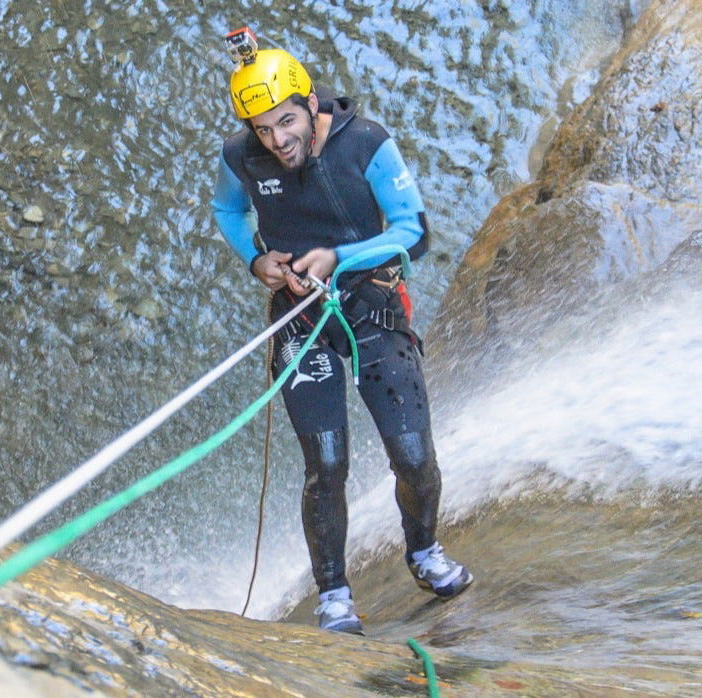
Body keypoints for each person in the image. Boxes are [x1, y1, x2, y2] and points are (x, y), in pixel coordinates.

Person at [211, 28, 472, 635]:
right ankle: (334, 595)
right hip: (300, 316)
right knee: (326, 465)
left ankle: (423, 549)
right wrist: (256, 259)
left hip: (371, 303)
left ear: (309, 104)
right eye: (263, 130)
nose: (278, 141)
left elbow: (415, 231)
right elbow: (228, 210)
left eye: (286, 122)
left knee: (411, 456)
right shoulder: (239, 157)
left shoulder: (368, 144)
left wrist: (338, 257)